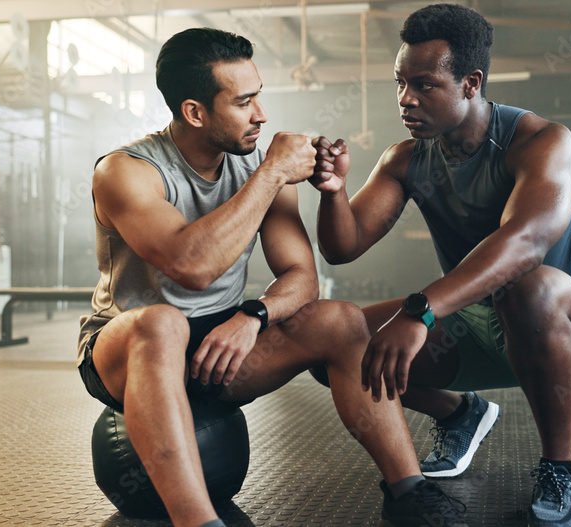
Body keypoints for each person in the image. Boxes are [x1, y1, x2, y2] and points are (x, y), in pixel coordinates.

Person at [77, 27, 468, 527]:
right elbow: (191, 267)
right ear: (195, 111)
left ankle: (408, 492)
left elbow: (302, 278)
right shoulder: (127, 171)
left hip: (218, 346)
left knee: (342, 319)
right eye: (243, 102)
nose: (260, 114)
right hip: (126, 350)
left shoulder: (262, 169)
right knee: (162, 324)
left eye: (258, 96)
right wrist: (270, 175)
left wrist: (252, 315)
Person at [308, 4, 571, 527]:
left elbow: (525, 244)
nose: (406, 98)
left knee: (530, 289)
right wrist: (333, 192)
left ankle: (564, 472)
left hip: (567, 320)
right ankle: (460, 414)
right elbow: (343, 246)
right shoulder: (405, 158)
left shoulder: (541, 141)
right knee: (332, 341)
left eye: (424, 85)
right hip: (472, 318)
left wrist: (420, 311)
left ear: (470, 83)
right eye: (400, 83)